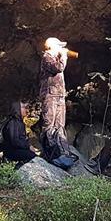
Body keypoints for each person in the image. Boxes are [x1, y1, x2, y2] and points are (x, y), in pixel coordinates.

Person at [38, 36, 73, 165]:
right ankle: (50, 153)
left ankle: (63, 152)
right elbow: (58, 68)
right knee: (49, 124)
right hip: (50, 95)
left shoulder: (56, 57)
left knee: (59, 125)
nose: (61, 49)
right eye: (59, 46)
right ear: (52, 46)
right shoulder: (47, 57)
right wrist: (64, 56)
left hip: (59, 95)